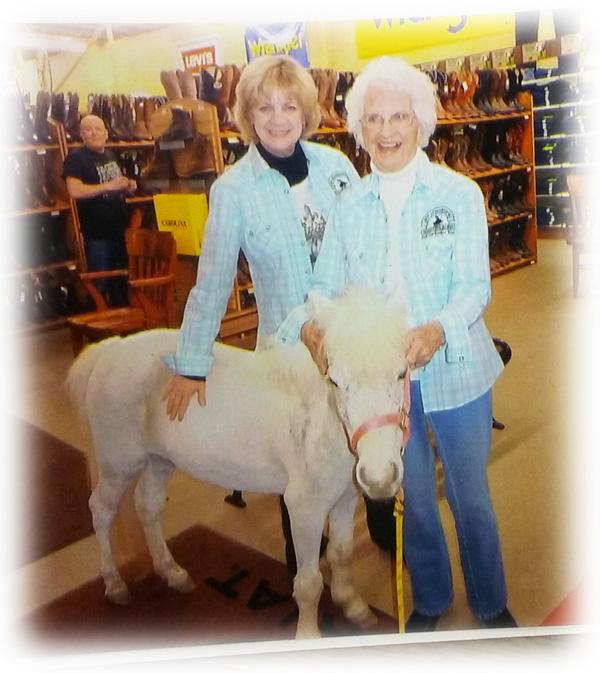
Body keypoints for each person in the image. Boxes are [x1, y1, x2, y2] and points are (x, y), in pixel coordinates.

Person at [277, 56, 517, 631]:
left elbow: (474, 287)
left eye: (399, 118)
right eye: (375, 119)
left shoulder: (457, 193)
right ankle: (430, 599)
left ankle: (490, 601)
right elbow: (322, 288)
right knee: (410, 501)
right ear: (360, 129)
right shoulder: (349, 206)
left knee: (470, 499)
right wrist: (309, 326)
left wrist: (436, 330)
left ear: (421, 122)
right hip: (381, 386)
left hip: (455, 368)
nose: (387, 131)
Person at [162, 55, 359, 572]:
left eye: (289, 105)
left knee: (360, 451)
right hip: (287, 359)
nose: (278, 117)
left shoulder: (336, 167)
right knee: (298, 477)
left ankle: (375, 532)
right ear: (247, 115)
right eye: (264, 106)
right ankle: (305, 577)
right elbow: (213, 279)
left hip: (353, 346)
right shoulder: (233, 190)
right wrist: (190, 362)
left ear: (306, 111)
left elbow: (369, 246)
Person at [63, 114, 136, 307]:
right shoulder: (75, 159)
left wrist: (127, 186)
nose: (93, 133)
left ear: (106, 133)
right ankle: (94, 331)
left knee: (121, 285)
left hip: (120, 231)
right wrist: (108, 186)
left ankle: (122, 330)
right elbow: (74, 190)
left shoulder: (111, 155)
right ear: (81, 134)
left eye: (98, 128)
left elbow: (115, 185)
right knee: (99, 286)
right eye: (88, 129)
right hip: (98, 236)